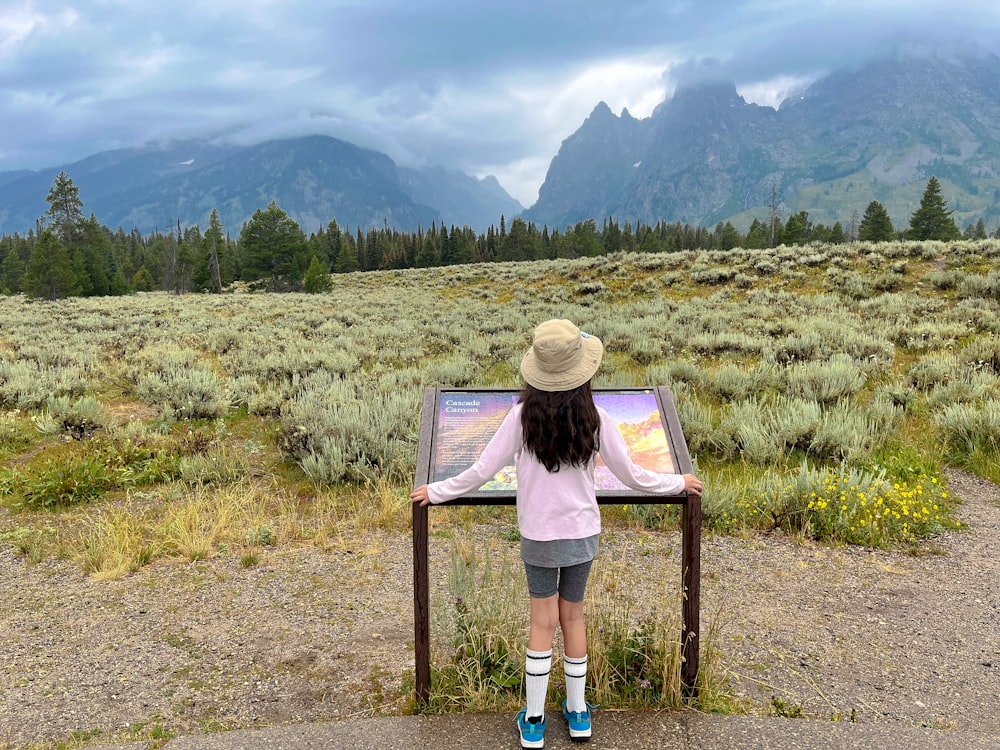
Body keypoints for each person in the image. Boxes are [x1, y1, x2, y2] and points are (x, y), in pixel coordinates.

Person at [411, 318, 703, 749]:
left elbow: (481, 470)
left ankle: (533, 720)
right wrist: (678, 483)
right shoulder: (596, 417)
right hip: (582, 532)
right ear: (581, 372)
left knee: (541, 622)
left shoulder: (520, 418)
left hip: (538, 536)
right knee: (574, 617)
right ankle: (579, 713)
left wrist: (435, 491)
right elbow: (632, 474)